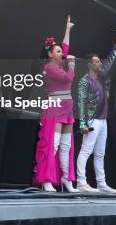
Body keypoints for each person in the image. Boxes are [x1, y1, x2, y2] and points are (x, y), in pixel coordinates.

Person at [75, 30, 116, 193]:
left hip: (103, 120)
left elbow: (109, 63)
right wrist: (82, 123)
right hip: (91, 120)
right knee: (86, 150)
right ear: (89, 64)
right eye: (96, 62)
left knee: (100, 153)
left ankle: (101, 183)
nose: (99, 63)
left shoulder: (102, 77)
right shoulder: (84, 81)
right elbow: (81, 103)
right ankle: (81, 182)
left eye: (99, 61)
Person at [33, 16, 78, 192]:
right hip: (54, 106)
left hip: (67, 107)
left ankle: (66, 179)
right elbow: (69, 78)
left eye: (61, 51)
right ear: (50, 54)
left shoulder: (58, 65)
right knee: (53, 144)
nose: (62, 53)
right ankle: (46, 180)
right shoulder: (49, 68)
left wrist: (67, 30)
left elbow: (66, 48)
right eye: (58, 51)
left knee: (66, 146)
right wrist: (72, 65)